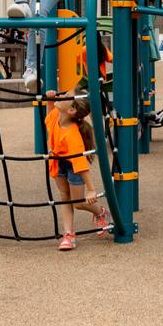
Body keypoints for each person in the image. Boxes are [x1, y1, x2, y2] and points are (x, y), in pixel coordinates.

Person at [43, 92, 112, 251]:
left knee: (78, 203)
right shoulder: (56, 115)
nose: (62, 95)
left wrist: (91, 190)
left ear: (72, 111)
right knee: (65, 198)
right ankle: (68, 235)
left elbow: (81, 165)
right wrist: (50, 99)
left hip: (74, 166)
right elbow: (49, 118)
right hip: (58, 162)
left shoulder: (73, 136)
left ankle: (100, 212)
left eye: (66, 97)